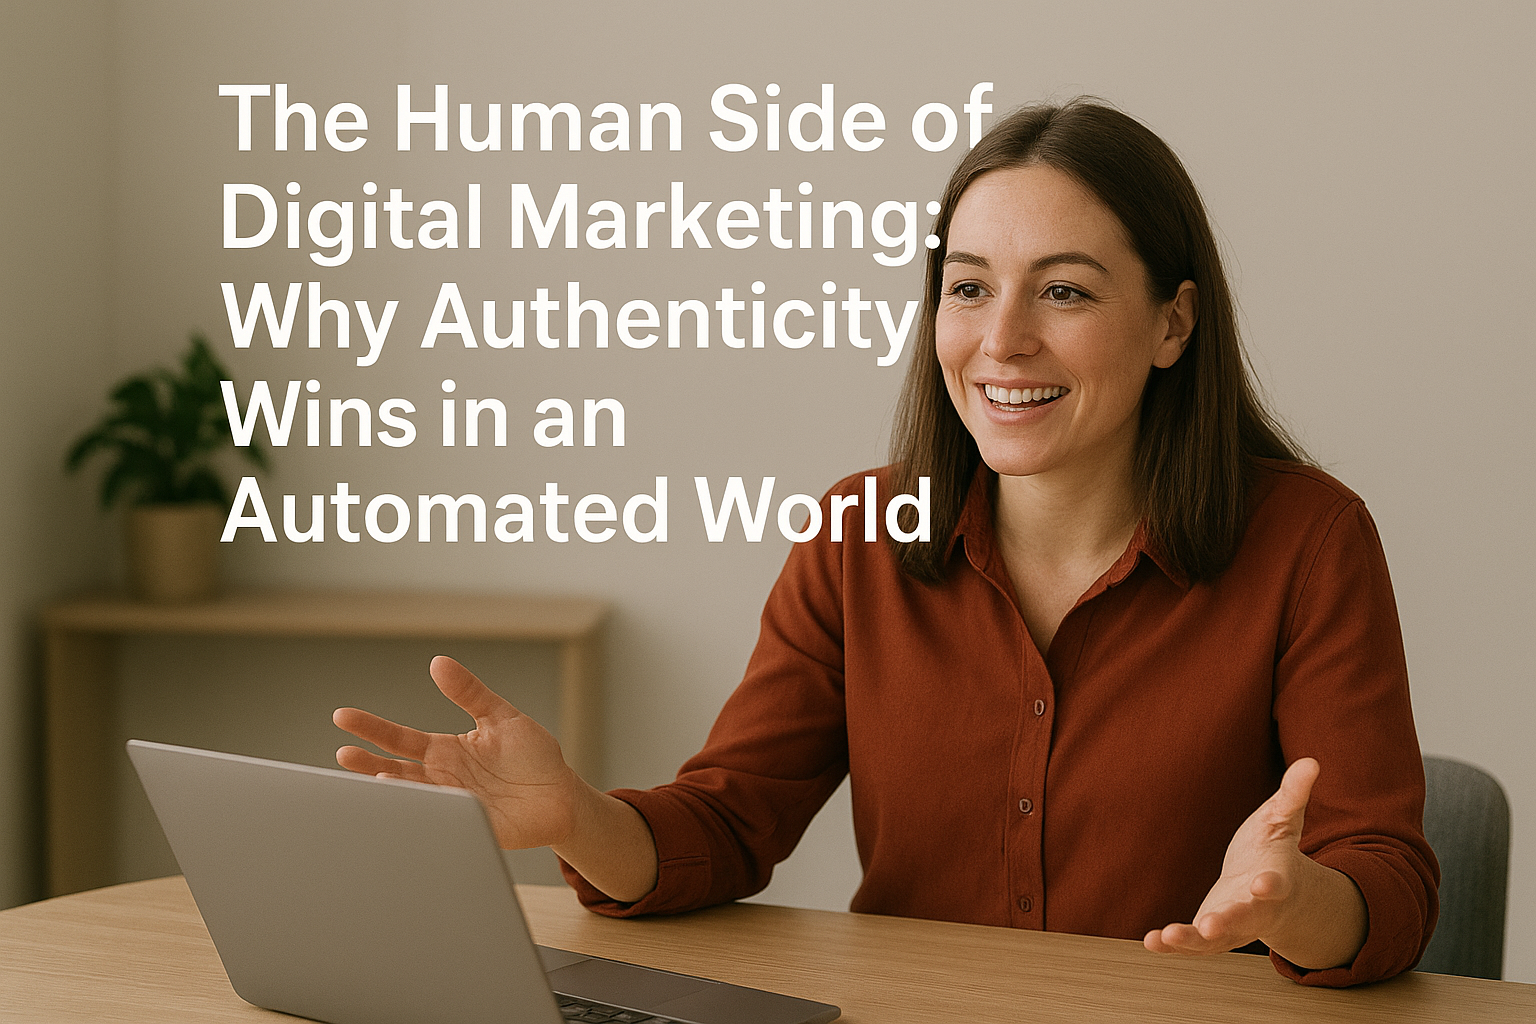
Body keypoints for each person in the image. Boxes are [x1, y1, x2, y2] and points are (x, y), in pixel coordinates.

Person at [333, 99, 1438, 988]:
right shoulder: (860, 534)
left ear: (1172, 324)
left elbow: (1381, 878)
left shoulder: (1309, 541)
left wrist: (1297, 906)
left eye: (1063, 290)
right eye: (968, 289)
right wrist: (583, 818)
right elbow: (726, 822)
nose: (1002, 340)